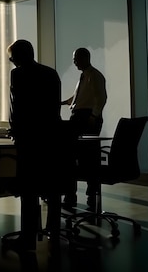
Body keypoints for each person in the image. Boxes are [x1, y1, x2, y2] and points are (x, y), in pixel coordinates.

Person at [7, 39, 64, 251]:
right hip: (52, 136)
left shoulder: (19, 74)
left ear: (18, 57)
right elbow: (54, 108)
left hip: (29, 138)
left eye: (12, 58)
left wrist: (14, 130)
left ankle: (28, 238)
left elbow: (17, 107)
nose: (11, 62)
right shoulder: (51, 73)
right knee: (52, 186)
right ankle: (54, 233)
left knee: (29, 190)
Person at [60, 47, 107, 211]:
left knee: (79, 156)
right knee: (83, 156)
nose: (74, 62)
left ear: (84, 58)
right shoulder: (84, 76)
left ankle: (74, 194)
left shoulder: (94, 76)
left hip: (85, 118)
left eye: (76, 59)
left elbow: (101, 98)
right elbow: (79, 97)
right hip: (80, 117)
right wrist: (65, 103)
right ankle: (85, 193)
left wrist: (93, 117)